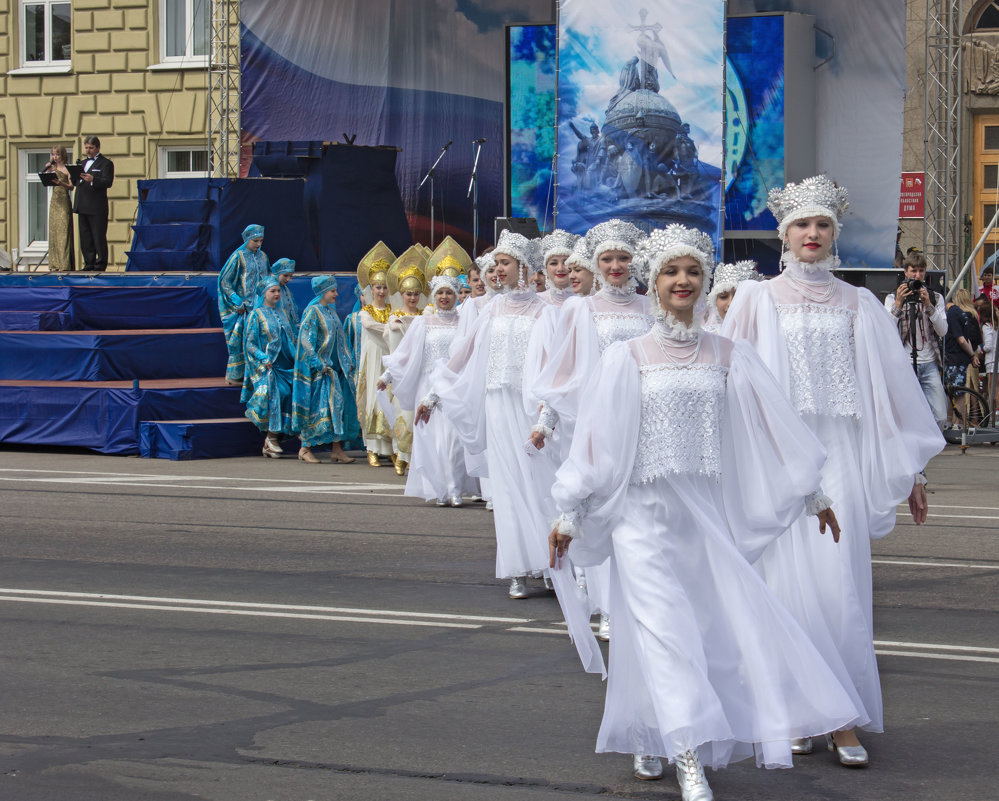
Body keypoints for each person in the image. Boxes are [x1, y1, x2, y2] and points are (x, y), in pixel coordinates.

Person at [548, 223, 864, 801]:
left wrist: (814, 493)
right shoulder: (627, 358)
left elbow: (773, 428)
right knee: (663, 630)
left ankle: (653, 727)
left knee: (704, 634)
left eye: (693, 271)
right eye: (671, 271)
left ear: (706, 279)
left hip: (707, 519)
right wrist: (571, 512)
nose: (683, 281)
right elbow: (598, 444)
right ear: (655, 281)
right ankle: (687, 752)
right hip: (643, 519)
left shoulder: (730, 355)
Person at [723, 175, 945, 764]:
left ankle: (842, 715)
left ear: (834, 234)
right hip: (776, 456)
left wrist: (915, 474)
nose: (812, 234)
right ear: (784, 235)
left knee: (837, 584)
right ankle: (795, 707)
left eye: (822, 224)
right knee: (783, 585)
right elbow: (726, 381)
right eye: (802, 225)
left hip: (840, 454)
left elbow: (893, 392)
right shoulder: (754, 300)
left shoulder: (861, 303)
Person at [421, 230, 555, 600]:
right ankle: (517, 566)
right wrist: (434, 393)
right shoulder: (490, 308)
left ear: (524, 267)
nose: (497, 270)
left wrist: (546, 410)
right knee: (508, 486)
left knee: (538, 482)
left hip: (528, 406)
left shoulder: (545, 310)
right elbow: (463, 354)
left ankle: (548, 563)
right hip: (497, 403)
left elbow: (550, 364)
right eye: (495, 264)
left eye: (504, 263)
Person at [380, 274, 472, 506]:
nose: (444, 297)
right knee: (434, 442)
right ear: (433, 296)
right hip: (428, 384)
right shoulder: (424, 322)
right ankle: (439, 488)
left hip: (454, 386)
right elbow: (406, 353)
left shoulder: (465, 323)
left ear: (456, 296)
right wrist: (387, 375)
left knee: (454, 441)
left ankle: (455, 489)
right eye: (440, 293)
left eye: (449, 293)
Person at [292, 275, 359, 465]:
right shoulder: (313, 312)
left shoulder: (330, 312)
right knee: (316, 410)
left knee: (336, 408)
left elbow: (340, 340)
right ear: (323, 292)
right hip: (318, 371)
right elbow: (306, 341)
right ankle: (305, 448)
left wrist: (348, 361)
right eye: (333, 291)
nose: (336, 294)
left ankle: (336, 450)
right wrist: (317, 363)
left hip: (331, 371)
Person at [885, 251, 948, 426]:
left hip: (929, 363)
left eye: (921, 270)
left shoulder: (935, 298)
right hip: (904, 362)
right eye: (913, 270)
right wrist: (898, 304)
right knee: (904, 415)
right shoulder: (893, 297)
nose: (917, 275)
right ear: (905, 272)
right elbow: (886, 331)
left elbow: (943, 331)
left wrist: (928, 305)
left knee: (941, 416)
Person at [383, 246, 430, 475]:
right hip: (402, 373)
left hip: (422, 372)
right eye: (409, 294)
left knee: (418, 415)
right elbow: (395, 347)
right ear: (401, 294)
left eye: (416, 294)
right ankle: (402, 453)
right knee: (404, 412)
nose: (412, 298)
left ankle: (417, 456)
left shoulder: (425, 318)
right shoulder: (395, 319)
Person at [242, 276, 297, 458]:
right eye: (272, 291)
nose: (276, 294)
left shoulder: (282, 313)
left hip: (285, 365)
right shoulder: (256, 315)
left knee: (294, 391)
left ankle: (275, 439)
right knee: (279, 392)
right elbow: (249, 343)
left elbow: (290, 339)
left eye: (278, 291)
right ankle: (271, 438)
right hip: (267, 366)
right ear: (263, 293)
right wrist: (263, 357)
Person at [355, 242, 397, 467]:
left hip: (388, 359)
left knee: (389, 399)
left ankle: (390, 447)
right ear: (370, 288)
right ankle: (372, 448)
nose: (381, 291)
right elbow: (372, 327)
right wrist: (393, 328)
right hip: (372, 362)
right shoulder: (365, 313)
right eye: (377, 287)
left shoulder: (393, 311)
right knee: (373, 397)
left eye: (384, 287)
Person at [218, 224, 270, 384]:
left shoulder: (263, 257)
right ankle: (236, 377)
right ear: (247, 239)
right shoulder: (238, 257)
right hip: (245, 309)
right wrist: (237, 301)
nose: (258, 244)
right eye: (255, 241)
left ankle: (256, 376)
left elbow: (268, 279)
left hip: (261, 307)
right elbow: (224, 280)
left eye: (261, 241)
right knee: (241, 342)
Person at [72, 135, 114, 271]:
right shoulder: (82, 163)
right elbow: (76, 182)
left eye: (91, 148)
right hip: (82, 204)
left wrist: (93, 179)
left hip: (97, 206)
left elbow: (108, 182)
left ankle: (100, 264)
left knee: (98, 236)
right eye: (86, 148)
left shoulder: (106, 163)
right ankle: (88, 263)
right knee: (85, 237)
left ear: (97, 147)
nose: (88, 150)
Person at [944, 288, 983, 402]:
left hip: (961, 353)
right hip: (970, 350)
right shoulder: (972, 314)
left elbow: (962, 339)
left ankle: (959, 419)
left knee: (957, 393)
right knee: (972, 385)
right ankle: (973, 418)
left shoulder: (954, 314)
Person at [703, 260, 762, 333]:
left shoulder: (768, 337)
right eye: (723, 297)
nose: (730, 304)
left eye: (739, 297)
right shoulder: (706, 339)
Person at [44, 145, 74, 272]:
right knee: (54, 231)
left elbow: (72, 187)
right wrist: (47, 171)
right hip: (54, 201)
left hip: (64, 201)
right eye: (53, 154)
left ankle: (64, 265)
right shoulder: (52, 168)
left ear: (62, 155)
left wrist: (61, 183)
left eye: (57, 154)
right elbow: (45, 180)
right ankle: (54, 264)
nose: (55, 157)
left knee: (63, 231)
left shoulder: (68, 169)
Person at [535, 230, 579, 307]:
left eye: (566, 263)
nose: (560, 268)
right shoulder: (536, 301)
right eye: (554, 263)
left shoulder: (587, 300)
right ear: (545, 268)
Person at [270, 258, 300, 333]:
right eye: (285, 275)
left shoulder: (285, 289)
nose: (288, 279)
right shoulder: (268, 290)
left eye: (290, 276)